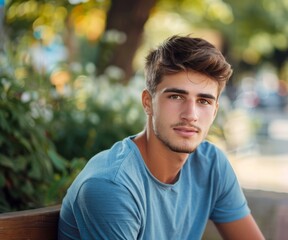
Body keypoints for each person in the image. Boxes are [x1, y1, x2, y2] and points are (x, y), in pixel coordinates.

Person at [58, 35, 264, 240]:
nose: (191, 114)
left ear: (215, 111)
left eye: (204, 101)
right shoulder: (111, 185)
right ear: (148, 102)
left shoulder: (210, 165)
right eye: (176, 97)